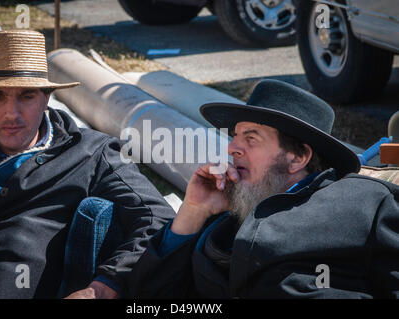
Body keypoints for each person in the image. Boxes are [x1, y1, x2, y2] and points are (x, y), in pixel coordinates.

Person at [0, 30, 175, 298]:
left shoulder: (91, 153)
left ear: (46, 98)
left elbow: (156, 218)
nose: (12, 113)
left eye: (27, 96)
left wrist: (104, 286)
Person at [128, 79, 399, 299]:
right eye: (234, 137)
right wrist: (193, 211)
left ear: (297, 157)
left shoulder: (365, 205)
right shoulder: (224, 217)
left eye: (251, 138)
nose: (232, 149)